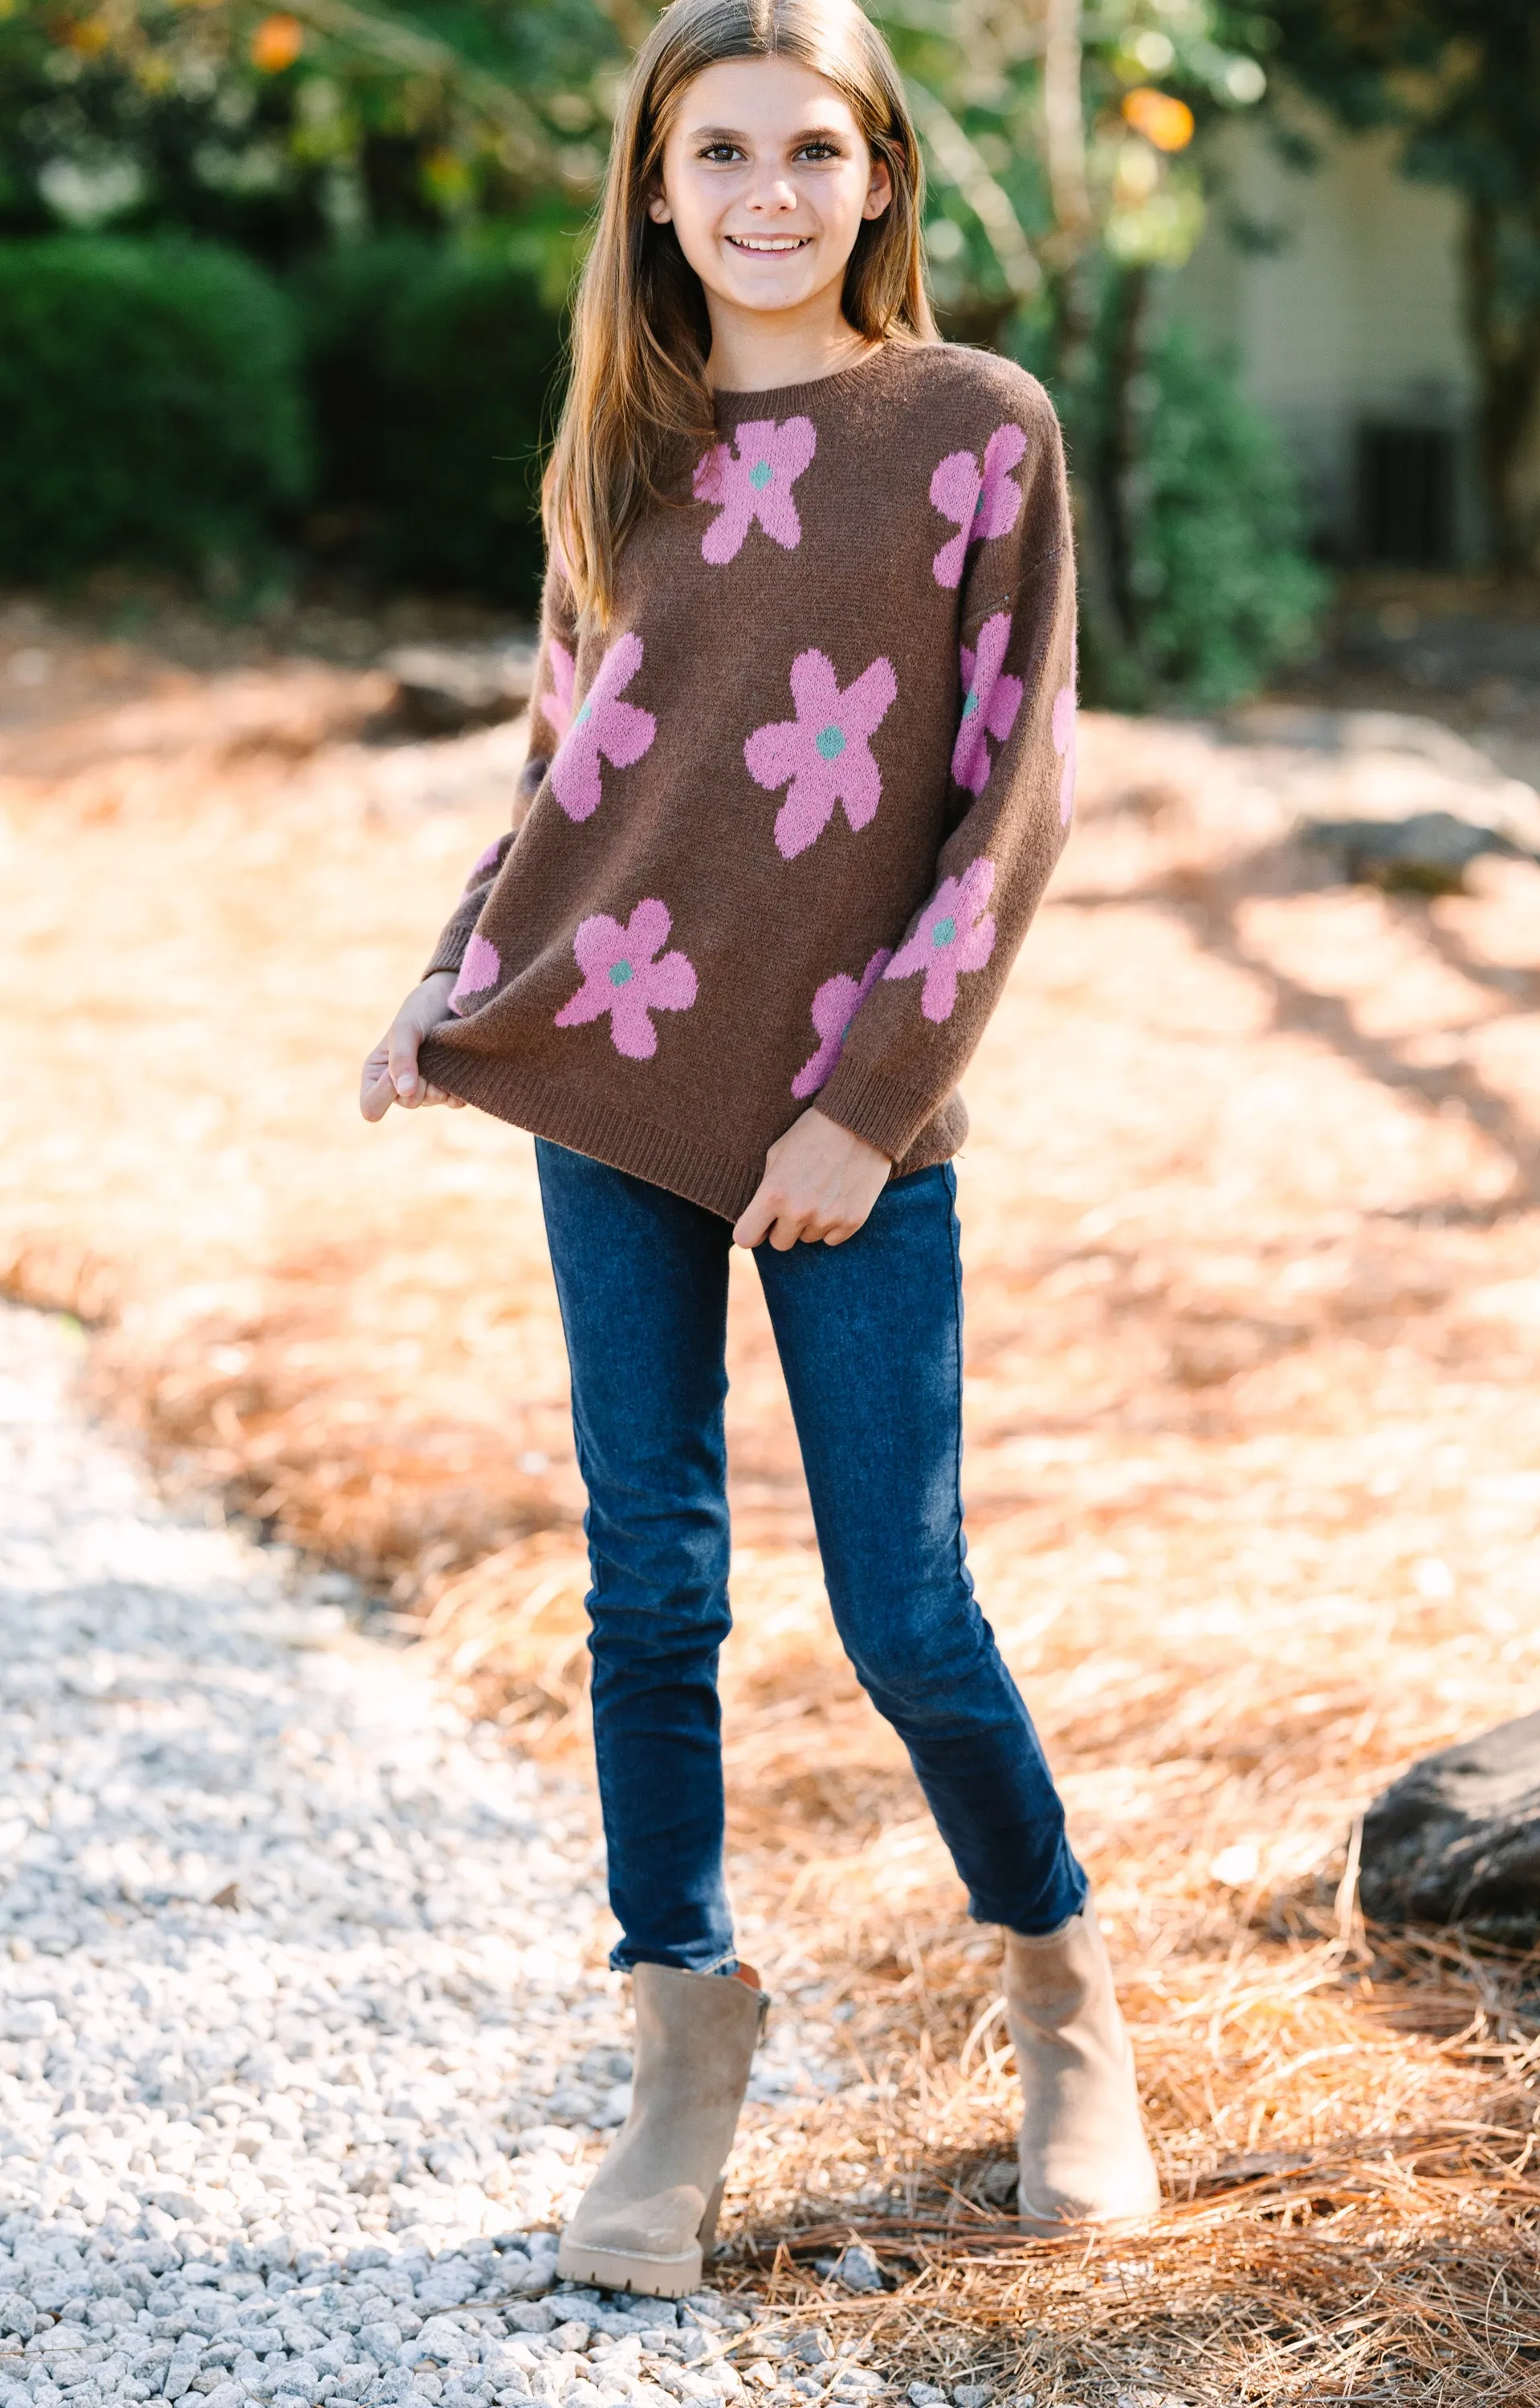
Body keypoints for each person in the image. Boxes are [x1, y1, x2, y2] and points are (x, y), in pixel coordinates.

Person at [360, 0, 1159, 2299]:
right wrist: (448, 981)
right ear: (656, 188)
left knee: (907, 1604)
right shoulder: (623, 449)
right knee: (652, 1580)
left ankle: (1060, 1986)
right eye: (721, 153)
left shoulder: (972, 436)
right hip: (612, 1078)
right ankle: (682, 2035)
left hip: (847, 1115)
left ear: (885, 173)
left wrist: (863, 1108)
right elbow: (562, 783)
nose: (770, 194)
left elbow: (1013, 805)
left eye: (815, 148)